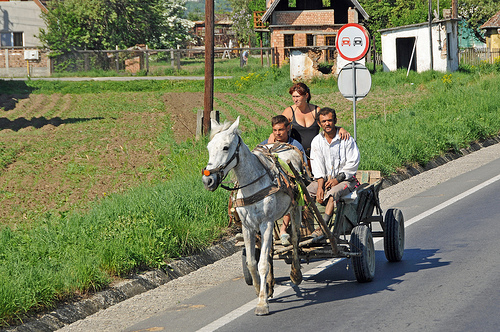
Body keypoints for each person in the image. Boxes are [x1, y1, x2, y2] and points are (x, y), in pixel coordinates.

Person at [307, 107, 360, 229]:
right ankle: (306, 225)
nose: (327, 123)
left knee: (332, 194)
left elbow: (353, 162)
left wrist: (337, 179)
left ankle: (323, 227)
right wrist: (320, 187)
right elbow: (317, 166)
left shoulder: (346, 139)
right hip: (324, 180)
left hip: (346, 180)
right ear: (319, 124)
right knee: (305, 193)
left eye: (330, 120)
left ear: (335, 121)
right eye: (324, 121)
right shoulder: (317, 141)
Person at [267, 82, 350, 157]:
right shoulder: (289, 111)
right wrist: (272, 135)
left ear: (306, 96)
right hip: (295, 154)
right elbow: (279, 126)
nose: (295, 100)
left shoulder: (316, 110)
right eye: (293, 96)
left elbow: (327, 124)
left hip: (315, 153)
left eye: (298, 97)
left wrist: (339, 129)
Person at [260, 115, 306, 246]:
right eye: (275, 130)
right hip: (270, 183)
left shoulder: (295, 146)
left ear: (288, 129)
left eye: (280, 130)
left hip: (289, 182)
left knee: (289, 192)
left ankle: (283, 229)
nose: (277, 133)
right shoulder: (266, 144)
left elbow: (303, 167)